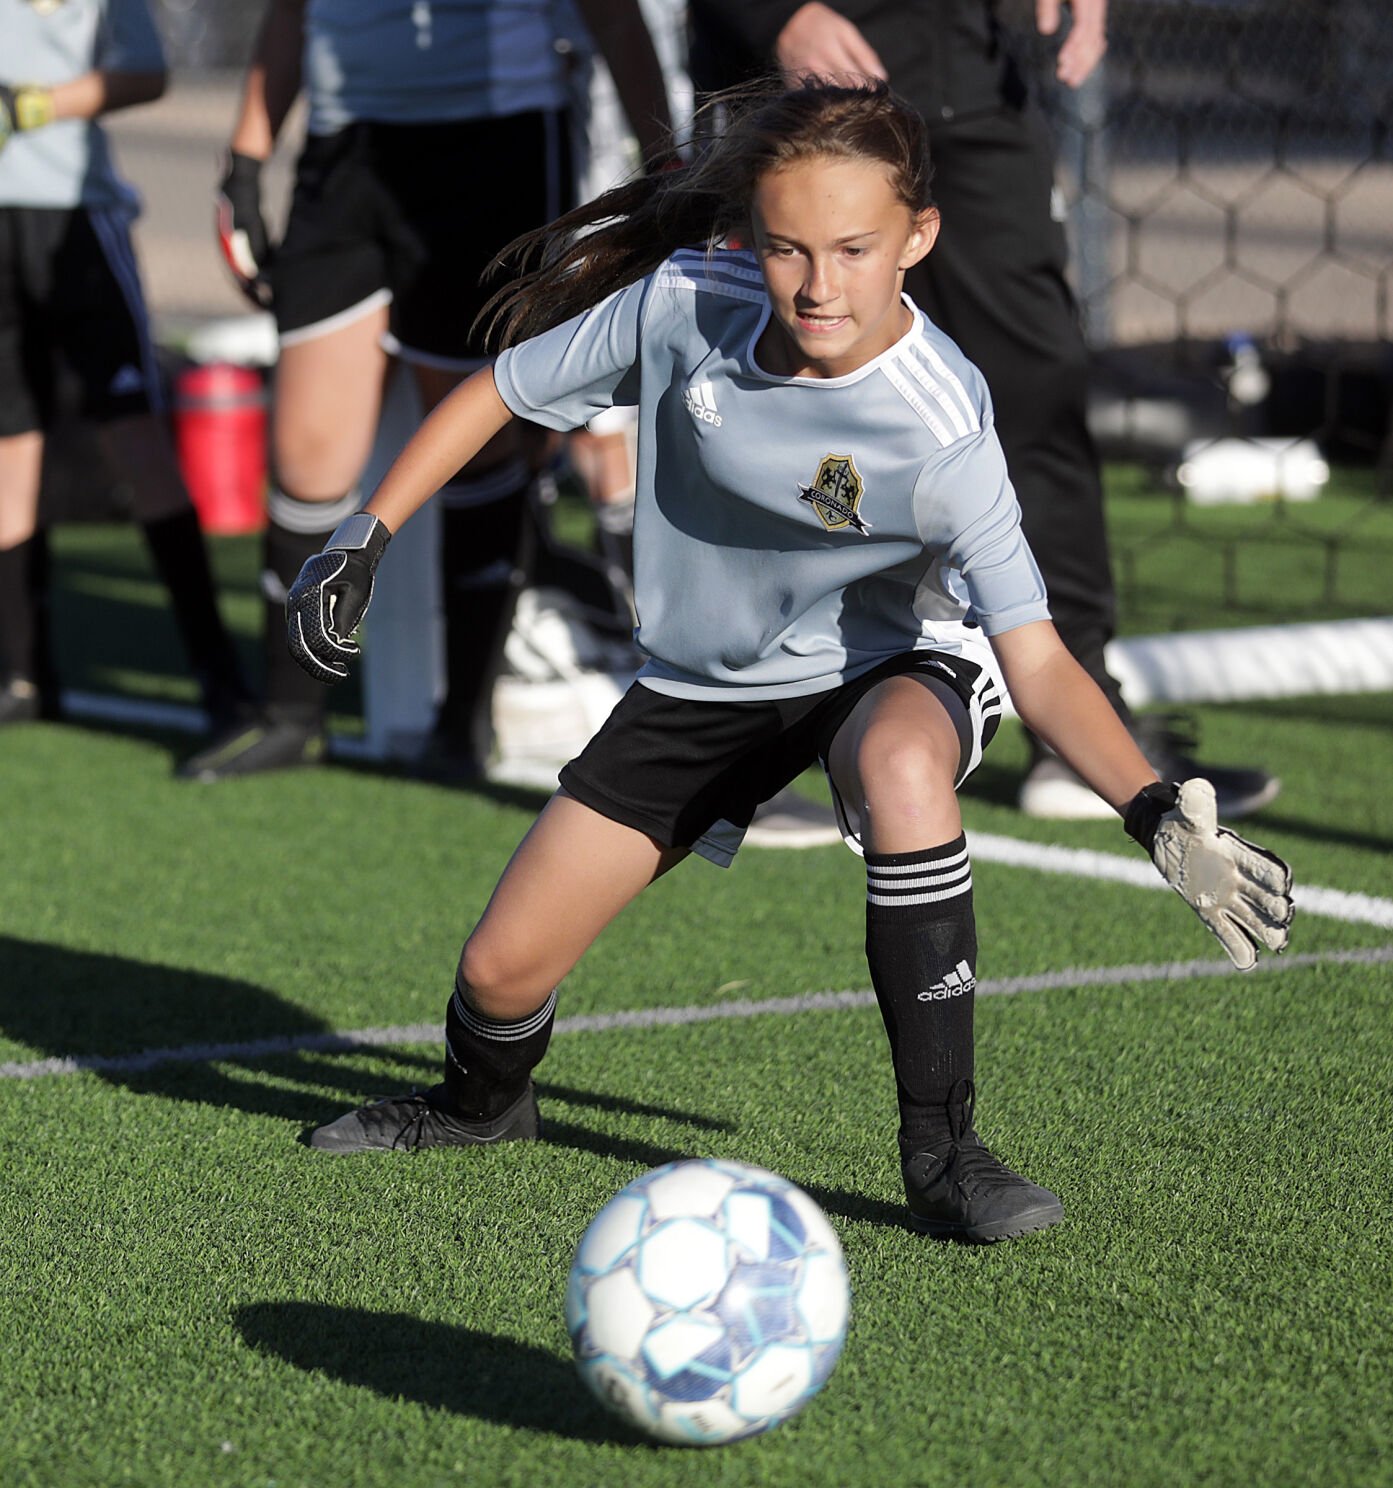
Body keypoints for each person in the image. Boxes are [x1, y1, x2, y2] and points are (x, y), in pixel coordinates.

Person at [281, 81, 1292, 1242]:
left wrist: (1152, 811)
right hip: (703, 684)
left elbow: (1040, 657)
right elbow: (498, 395)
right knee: (501, 976)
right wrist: (364, 534)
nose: (819, 285)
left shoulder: (941, 424)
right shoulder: (680, 304)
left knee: (905, 769)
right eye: (787, 247)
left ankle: (945, 1150)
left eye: (855, 249)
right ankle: (480, 1110)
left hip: (889, 662)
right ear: (748, 237)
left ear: (917, 240)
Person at [685, 0, 1281, 822]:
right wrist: (773, 18)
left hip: (963, 81)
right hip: (794, 95)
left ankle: (1076, 739)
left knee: (1037, 397)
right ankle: (750, 749)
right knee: (760, 401)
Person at [180, 0, 672, 782]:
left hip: (493, 138)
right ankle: (290, 710)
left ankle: (461, 721)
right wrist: (245, 159)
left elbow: (611, 15)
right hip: (346, 148)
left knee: (480, 438)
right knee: (307, 459)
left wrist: (666, 166)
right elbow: (290, 12)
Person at [0, 0, 249, 730]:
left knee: (135, 442)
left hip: (76, 220)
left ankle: (219, 677)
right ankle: (19, 674)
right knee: (9, 449)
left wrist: (33, 104)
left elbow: (145, 73)